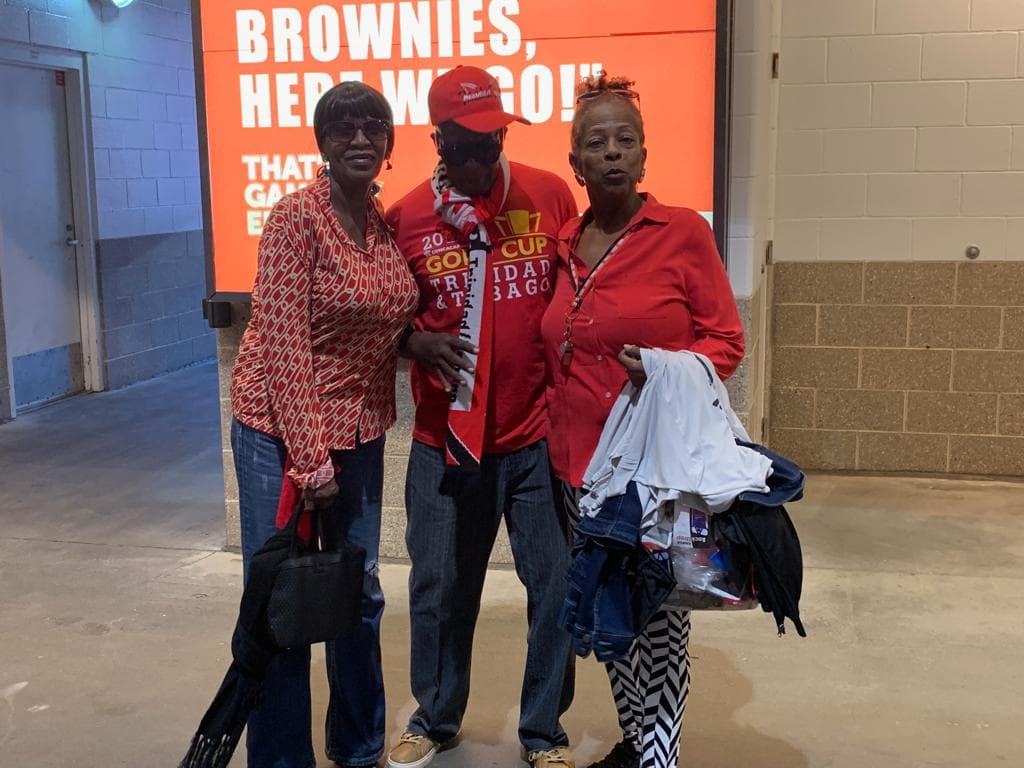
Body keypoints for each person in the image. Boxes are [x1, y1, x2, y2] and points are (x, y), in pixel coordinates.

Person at [540, 74, 745, 768]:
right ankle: (638, 742)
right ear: (576, 164)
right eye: (596, 143)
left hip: (654, 472)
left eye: (625, 139)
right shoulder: (566, 242)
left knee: (657, 620)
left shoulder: (681, 232)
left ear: (645, 155)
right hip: (580, 470)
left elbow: (726, 343)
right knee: (609, 616)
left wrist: (661, 366)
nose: (612, 153)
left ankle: (658, 757)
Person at [384, 65, 578, 768]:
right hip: (446, 442)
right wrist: (412, 340)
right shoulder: (405, 217)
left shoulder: (549, 195)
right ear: (438, 139)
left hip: (535, 438)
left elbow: (579, 297)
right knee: (439, 588)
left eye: (494, 137)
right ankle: (435, 718)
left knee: (557, 586)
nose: (484, 153)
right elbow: (376, 321)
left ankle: (543, 732)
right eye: (467, 142)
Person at [228, 81, 419, 768]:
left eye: (373, 126)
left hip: (359, 435)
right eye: (343, 128)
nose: (360, 138)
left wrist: (413, 344)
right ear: (322, 141)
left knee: (355, 594)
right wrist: (308, 460)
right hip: (279, 436)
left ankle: (359, 748)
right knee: (284, 604)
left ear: (390, 141)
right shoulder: (294, 219)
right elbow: (282, 341)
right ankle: (283, 760)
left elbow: (371, 319)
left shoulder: (381, 224)